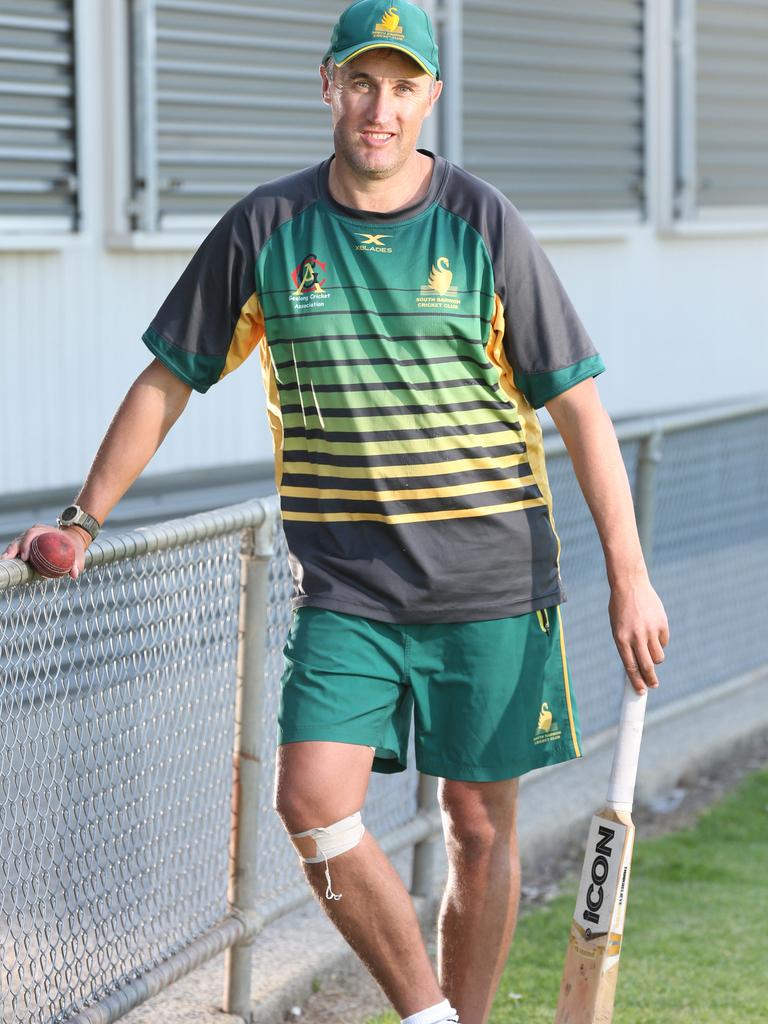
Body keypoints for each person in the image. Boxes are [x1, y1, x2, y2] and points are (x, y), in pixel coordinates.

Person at [2, 3, 669, 1023]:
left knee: (479, 830)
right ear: (328, 85)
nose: (381, 107)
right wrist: (83, 520)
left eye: (404, 86)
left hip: (491, 580)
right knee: (311, 801)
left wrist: (630, 574)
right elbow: (169, 380)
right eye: (364, 82)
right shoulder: (268, 229)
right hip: (349, 587)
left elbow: (577, 404)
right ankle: (428, 1015)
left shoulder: (483, 223)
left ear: (430, 98)